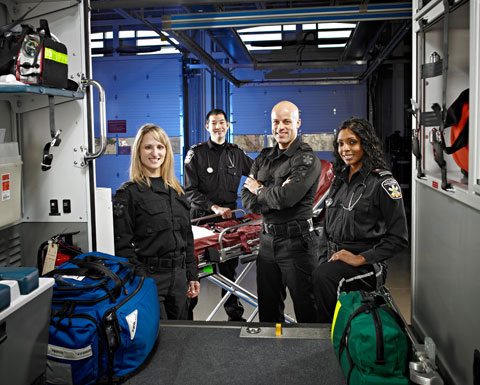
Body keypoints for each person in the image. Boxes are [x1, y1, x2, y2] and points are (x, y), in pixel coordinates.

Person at [312, 117, 408, 323]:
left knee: (325, 278)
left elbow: (399, 239)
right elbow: (326, 227)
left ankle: (331, 341)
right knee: (314, 274)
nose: (345, 148)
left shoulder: (383, 184)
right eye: (340, 143)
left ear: (366, 144)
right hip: (334, 257)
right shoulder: (338, 181)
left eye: (352, 142)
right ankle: (321, 337)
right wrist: (322, 259)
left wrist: (360, 259)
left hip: (368, 265)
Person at [241, 100, 321, 323]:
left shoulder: (306, 159)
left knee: (307, 311)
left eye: (287, 121)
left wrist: (260, 189)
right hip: (266, 243)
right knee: (268, 311)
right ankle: (272, 354)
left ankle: (311, 357)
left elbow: (287, 198)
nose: (281, 127)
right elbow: (247, 200)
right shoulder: (264, 157)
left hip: (298, 244)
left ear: (298, 123)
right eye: (276, 122)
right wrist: (272, 194)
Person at [113, 123, 200, 320]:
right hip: (150, 278)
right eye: (148, 147)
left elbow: (187, 238)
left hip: (179, 277)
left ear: (167, 151)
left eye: (160, 147)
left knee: (183, 335)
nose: (155, 152)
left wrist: (192, 274)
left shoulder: (177, 192)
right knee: (159, 336)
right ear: (139, 152)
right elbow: (122, 246)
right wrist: (141, 278)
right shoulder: (128, 194)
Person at [184, 108, 253, 321]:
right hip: (201, 220)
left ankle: (235, 317)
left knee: (228, 271)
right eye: (213, 123)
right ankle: (185, 318)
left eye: (222, 122)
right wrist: (213, 207)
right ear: (207, 127)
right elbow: (189, 191)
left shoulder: (236, 154)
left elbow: (257, 174)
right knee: (194, 272)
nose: (218, 127)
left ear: (227, 125)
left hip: (227, 222)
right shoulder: (196, 154)